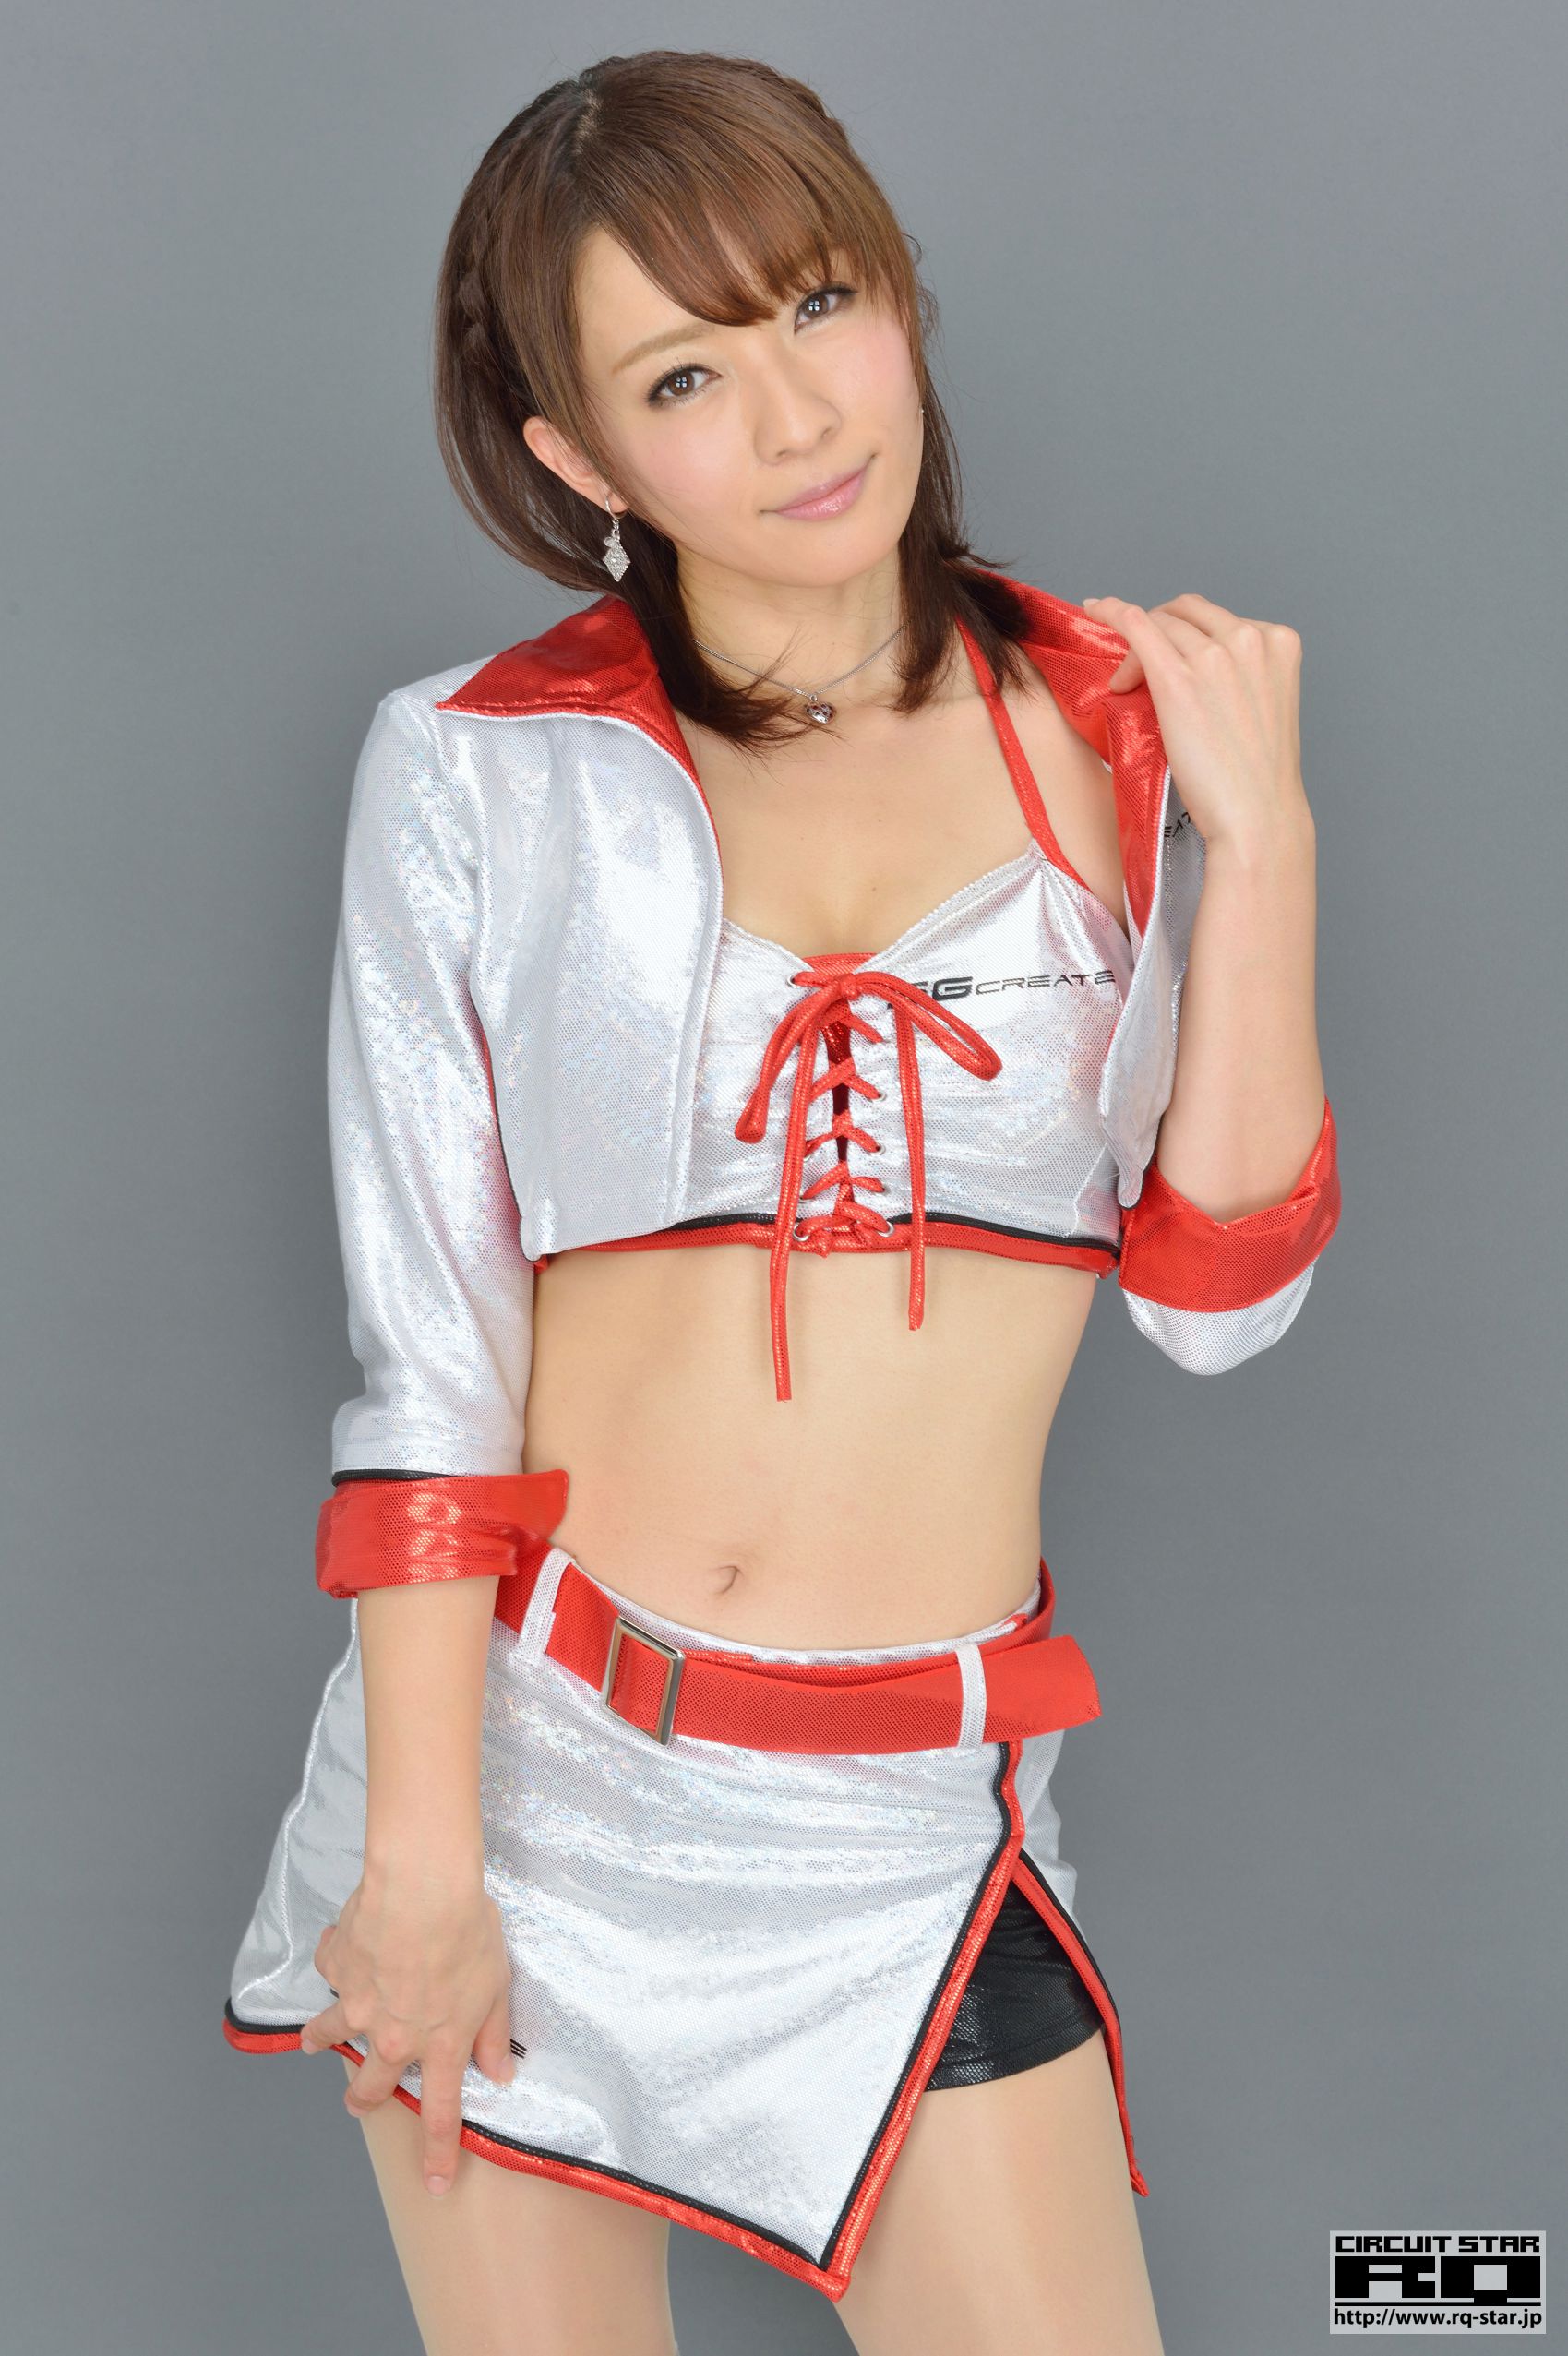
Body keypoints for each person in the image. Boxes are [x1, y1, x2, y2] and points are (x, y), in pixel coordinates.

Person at [222, 48, 1340, 2356]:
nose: (798, 414)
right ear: (579, 457)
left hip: (908, 1823)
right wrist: (421, 1860)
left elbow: (1218, 1299)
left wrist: (1268, 845)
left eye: (820, 303)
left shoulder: (1119, 728)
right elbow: (430, 1367)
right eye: (682, 377)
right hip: (522, 1781)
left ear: (899, 292)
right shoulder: (478, 765)